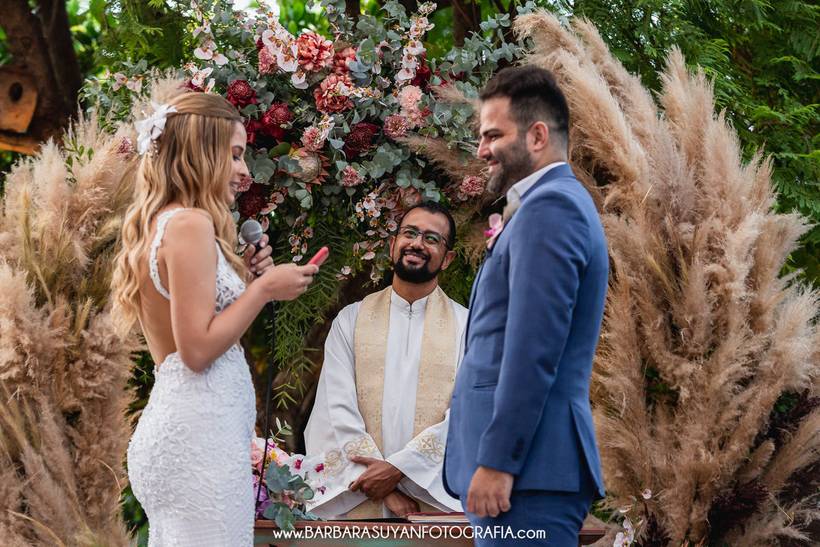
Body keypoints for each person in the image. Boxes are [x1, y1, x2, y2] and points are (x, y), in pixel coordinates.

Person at [111, 92, 318, 546]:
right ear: (202, 153)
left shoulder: (165, 222)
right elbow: (197, 350)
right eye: (236, 155)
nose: (245, 172)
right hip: (198, 447)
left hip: (190, 437)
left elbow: (188, 321)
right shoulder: (190, 224)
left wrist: (241, 275)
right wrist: (264, 289)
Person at [443, 66, 609, 545]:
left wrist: (498, 461)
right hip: (527, 475)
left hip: (526, 476)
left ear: (537, 136)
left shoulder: (550, 209)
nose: (481, 149)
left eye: (493, 134)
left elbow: (532, 351)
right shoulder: (546, 206)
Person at [305, 201, 467, 519]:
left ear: (447, 259)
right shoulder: (350, 320)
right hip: (359, 502)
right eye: (410, 232)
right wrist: (386, 489)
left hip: (433, 505)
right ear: (393, 245)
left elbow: (466, 417)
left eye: (432, 238)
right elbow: (335, 410)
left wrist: (399, 470)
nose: (418, 243)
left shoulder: (468, 327)